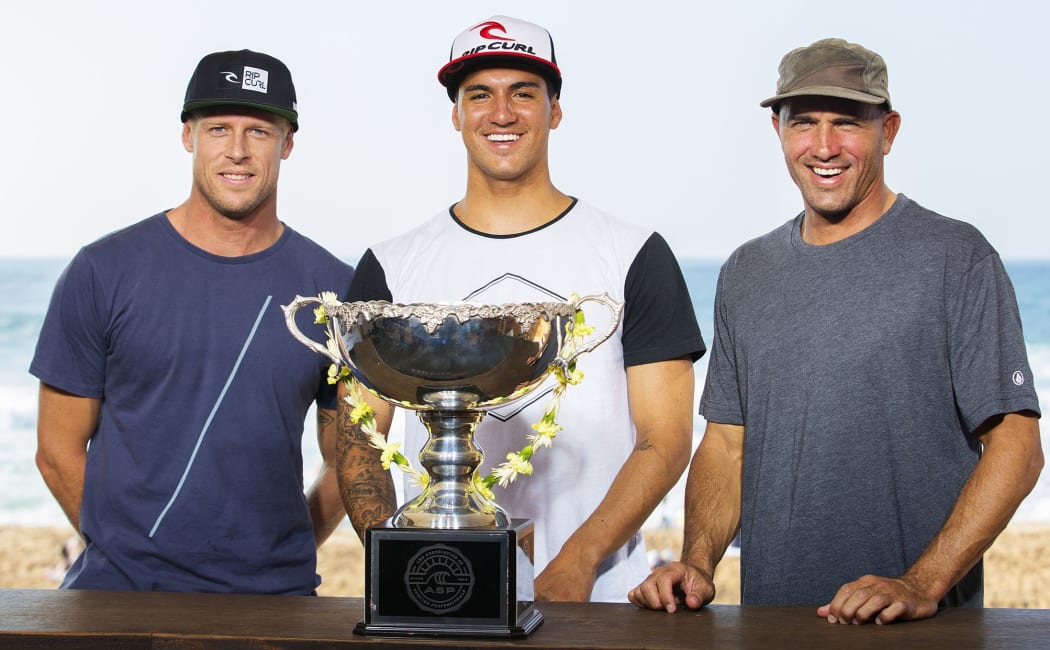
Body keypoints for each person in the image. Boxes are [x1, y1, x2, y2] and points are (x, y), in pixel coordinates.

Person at [628, 38, 1044, 623]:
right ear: (778, 130)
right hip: (773, 626)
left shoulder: (956, 257)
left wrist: (921, 583)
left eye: (847, 122)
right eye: (804, 122)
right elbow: (726, 446)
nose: (823, 147)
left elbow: (1017, 447)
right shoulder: (747, 272)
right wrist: (697, 562)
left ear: (888, 131)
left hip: (917, 631)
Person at [335, 15, 706, 603]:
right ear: (456, 114)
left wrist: (577, 563)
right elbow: (359, 435)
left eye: (523, 93)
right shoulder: (390, 264)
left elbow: (665, 438)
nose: (501, 113)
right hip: (441, 592)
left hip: (600, 596)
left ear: (555, 110)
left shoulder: (634, 253)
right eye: (480, 94)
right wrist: (399, 562)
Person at [30, 49, 354, 593]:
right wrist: (127, 554)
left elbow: (349, 461)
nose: (237, 150)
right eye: (218, 128)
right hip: (118, 596)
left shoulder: (335, 292)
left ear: (287, 143)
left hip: (273, 599)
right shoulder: (103, 270)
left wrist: (280, 555)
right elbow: (56, 451)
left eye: (259, 131)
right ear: (188, 136)